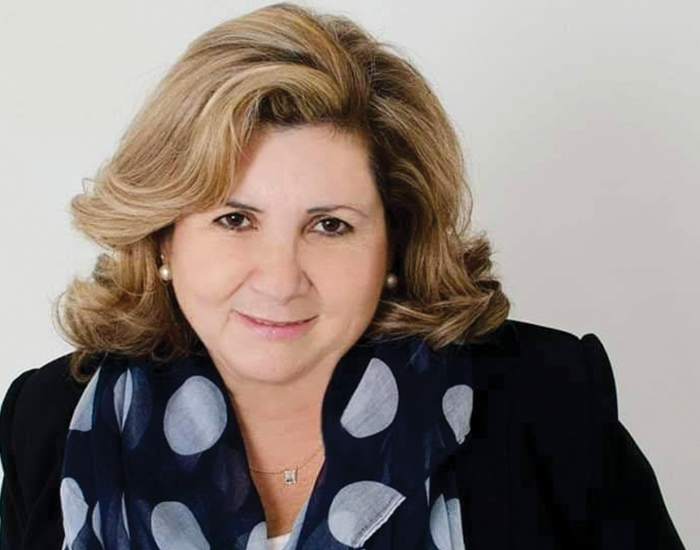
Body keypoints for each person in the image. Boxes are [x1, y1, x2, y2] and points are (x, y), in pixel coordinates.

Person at [0, 3, 686, 549]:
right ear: (162, 240)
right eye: (235, 219)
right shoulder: (51, 420)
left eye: (330, 225)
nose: (279, 279)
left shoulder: (546, 402)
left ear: (395, 243)